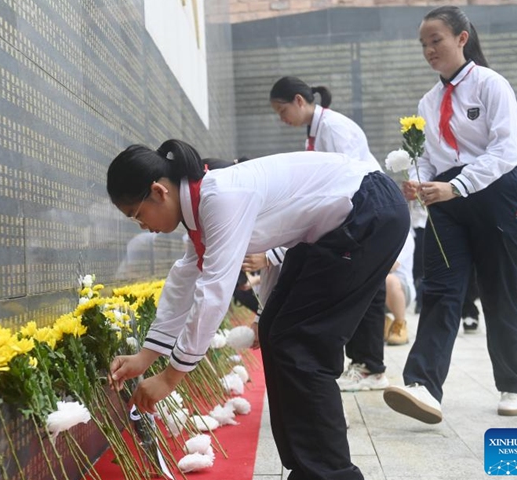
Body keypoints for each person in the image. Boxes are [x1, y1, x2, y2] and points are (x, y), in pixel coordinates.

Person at [107, 139, 409, 479]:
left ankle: (331, 474)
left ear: (159, 192)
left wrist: (171, 376)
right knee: (277, 334)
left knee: (302, 345)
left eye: (137, 215)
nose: (142, 226)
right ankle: (309, 470)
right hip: (341, 221)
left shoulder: (218, 197)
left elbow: (214, 291)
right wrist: (146, 358)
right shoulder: (201, 208)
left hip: (368, 211)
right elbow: (186, 278)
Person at [384, 6, 517, 424]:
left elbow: (504, 152)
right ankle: (424, 386)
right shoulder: (427, 102)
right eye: (424, 44)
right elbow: (431, 159)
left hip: (498, 194)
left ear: (461, 39)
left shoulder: (491, 85)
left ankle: (513, 385)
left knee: (499, 290)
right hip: (446, 202)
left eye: (437, 40)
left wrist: (457, 185)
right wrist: (420, 182)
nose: (429, 50)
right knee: (442, 290)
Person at [270, 76, 389, 392]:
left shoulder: (334, 129)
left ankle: (370, 367)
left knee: (367, 289)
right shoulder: (315, 131)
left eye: (282, 110)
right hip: (357, 212)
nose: (282, 119)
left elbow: (350, 177)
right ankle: (365, 363)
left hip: (367, 210)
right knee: (363, 288)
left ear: (299, 100)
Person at [384, 228, 416, 346]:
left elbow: (391, 265)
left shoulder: (405, 235)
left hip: (401, 289)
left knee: (388, 280)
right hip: (378, 287)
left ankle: (399, 324)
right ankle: (383, 323)